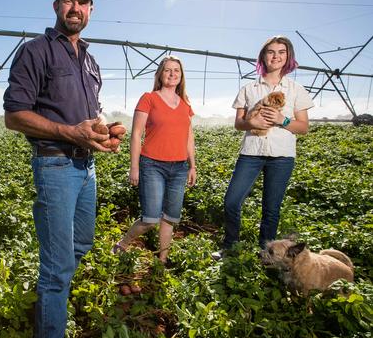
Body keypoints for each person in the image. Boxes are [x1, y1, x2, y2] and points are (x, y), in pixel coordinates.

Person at [2, 0, 112, 338]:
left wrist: (102, 132)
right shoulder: (36, 52)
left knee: (81, 244)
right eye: (68, 0)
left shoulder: (91, 61)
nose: (75, 8)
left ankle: (55, 299)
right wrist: (69, 132)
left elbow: (88, 117)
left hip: (87, 168)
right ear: (55, 7)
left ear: (91, 10)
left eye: (82, 3)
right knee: (57, 264)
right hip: (55, 165)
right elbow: (14, 116)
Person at [212, 36, 314, 260]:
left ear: (288, 57)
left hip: (282, 156)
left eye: (281, 52)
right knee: (231, 201)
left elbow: (303, 127)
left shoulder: (296, 89)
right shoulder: (249, 89)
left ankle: (266, 254)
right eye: (271, 51)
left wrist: (282, 120)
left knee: (271, 209)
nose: (275, 56)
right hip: (251, 153)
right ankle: (230, 247)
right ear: (263, 56)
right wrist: (252, 123)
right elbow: (238, 123)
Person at [112, 56, 196, 266]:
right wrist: (134, 167)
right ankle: (123, 243)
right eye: (167, 70)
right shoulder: (148, 98)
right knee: (150, 218)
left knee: (170, 217)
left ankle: (162, 259)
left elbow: (189, 136)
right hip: (152, 165)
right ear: (160, 74)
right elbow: (136, 133)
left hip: (179, 167)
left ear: (181, 75)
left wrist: (192, 165)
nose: (172, 74)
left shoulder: (185, 104)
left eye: (176, 70)